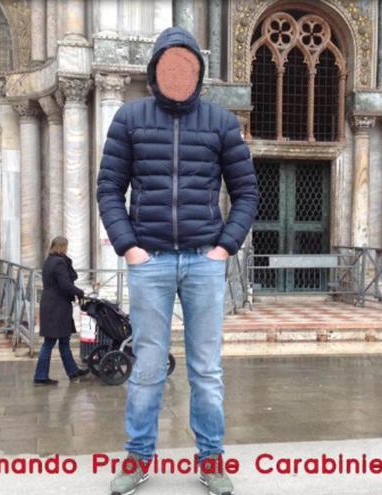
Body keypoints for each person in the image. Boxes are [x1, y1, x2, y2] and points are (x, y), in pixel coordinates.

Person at [96, 25, 258, 495]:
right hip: (151, 262)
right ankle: (137, 457)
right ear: (154, 69)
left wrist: (224, 247)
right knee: (147, 368)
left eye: (186, 65)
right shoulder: (129, 118)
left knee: (206, 370)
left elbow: (247, 192)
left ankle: (211, 459)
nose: (178, 73)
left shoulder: (221, 123)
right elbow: (109, 189)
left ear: (198, 72)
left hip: (204, 261)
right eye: (169, 64)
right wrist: (130, 247)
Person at [33, 236, 89, 385]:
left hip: (53, 305)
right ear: (62, 246)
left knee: (64, 341)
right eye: (66, 246)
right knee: (49, 342)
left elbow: (65, 280)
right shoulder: (59, 262)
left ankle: (73, 372)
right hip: (57, 306)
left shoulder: (49, 260)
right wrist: (80, 292)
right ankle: (40, 376)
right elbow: (65, 284)